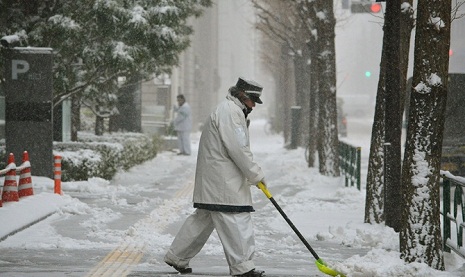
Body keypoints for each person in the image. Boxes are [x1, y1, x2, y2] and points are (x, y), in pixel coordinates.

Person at [164, 77, 267, 277]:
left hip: (215, 177)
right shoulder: (230, 112)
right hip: (223, 181)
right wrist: (256, 175)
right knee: (236, 218)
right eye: (252, 101)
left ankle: (177, 256)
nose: (254, 105)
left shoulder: (230, 110)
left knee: (202, 220)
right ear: (242, 96)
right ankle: (242, 267)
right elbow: (239, 149)